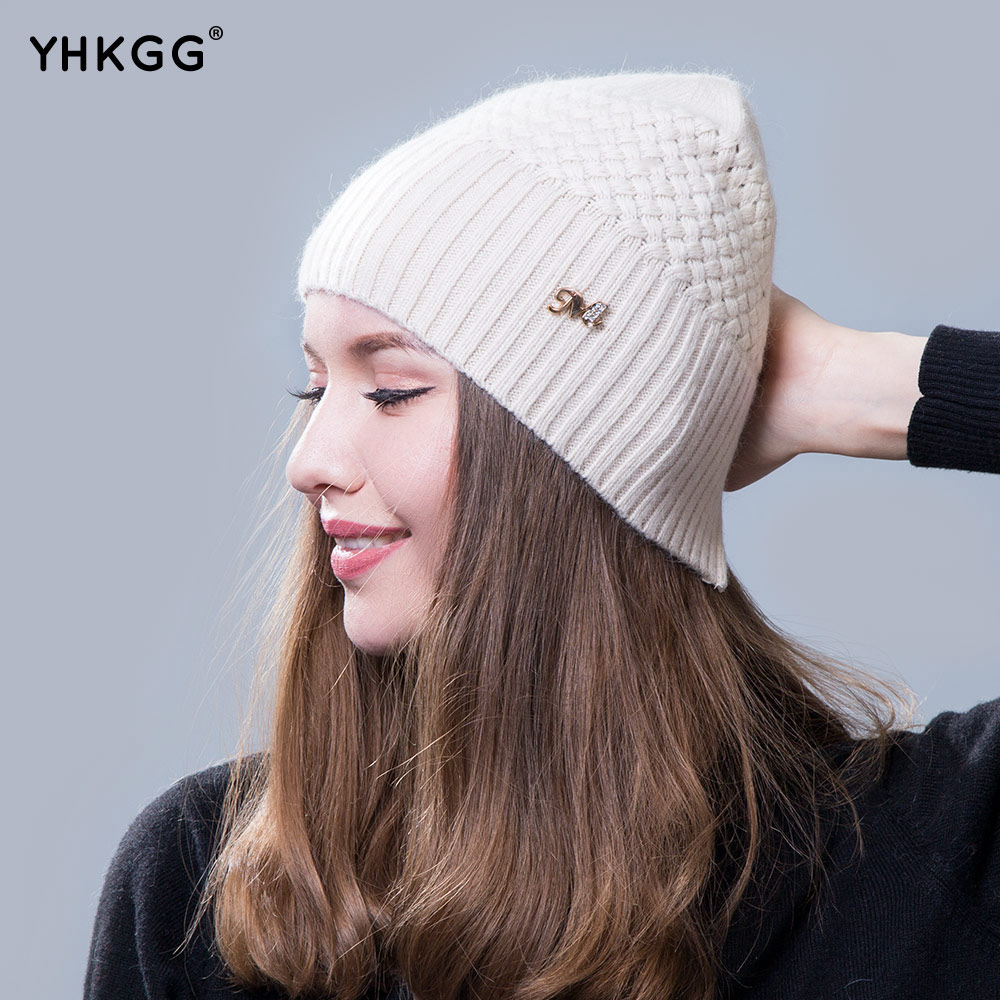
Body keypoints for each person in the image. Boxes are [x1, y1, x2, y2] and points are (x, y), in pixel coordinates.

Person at [83, 71, 1000, 1000]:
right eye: (314, 388)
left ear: (571, 457)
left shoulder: (923, 853)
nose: (308, 460)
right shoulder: (210, 886)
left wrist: (859, 383)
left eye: (392, 390)